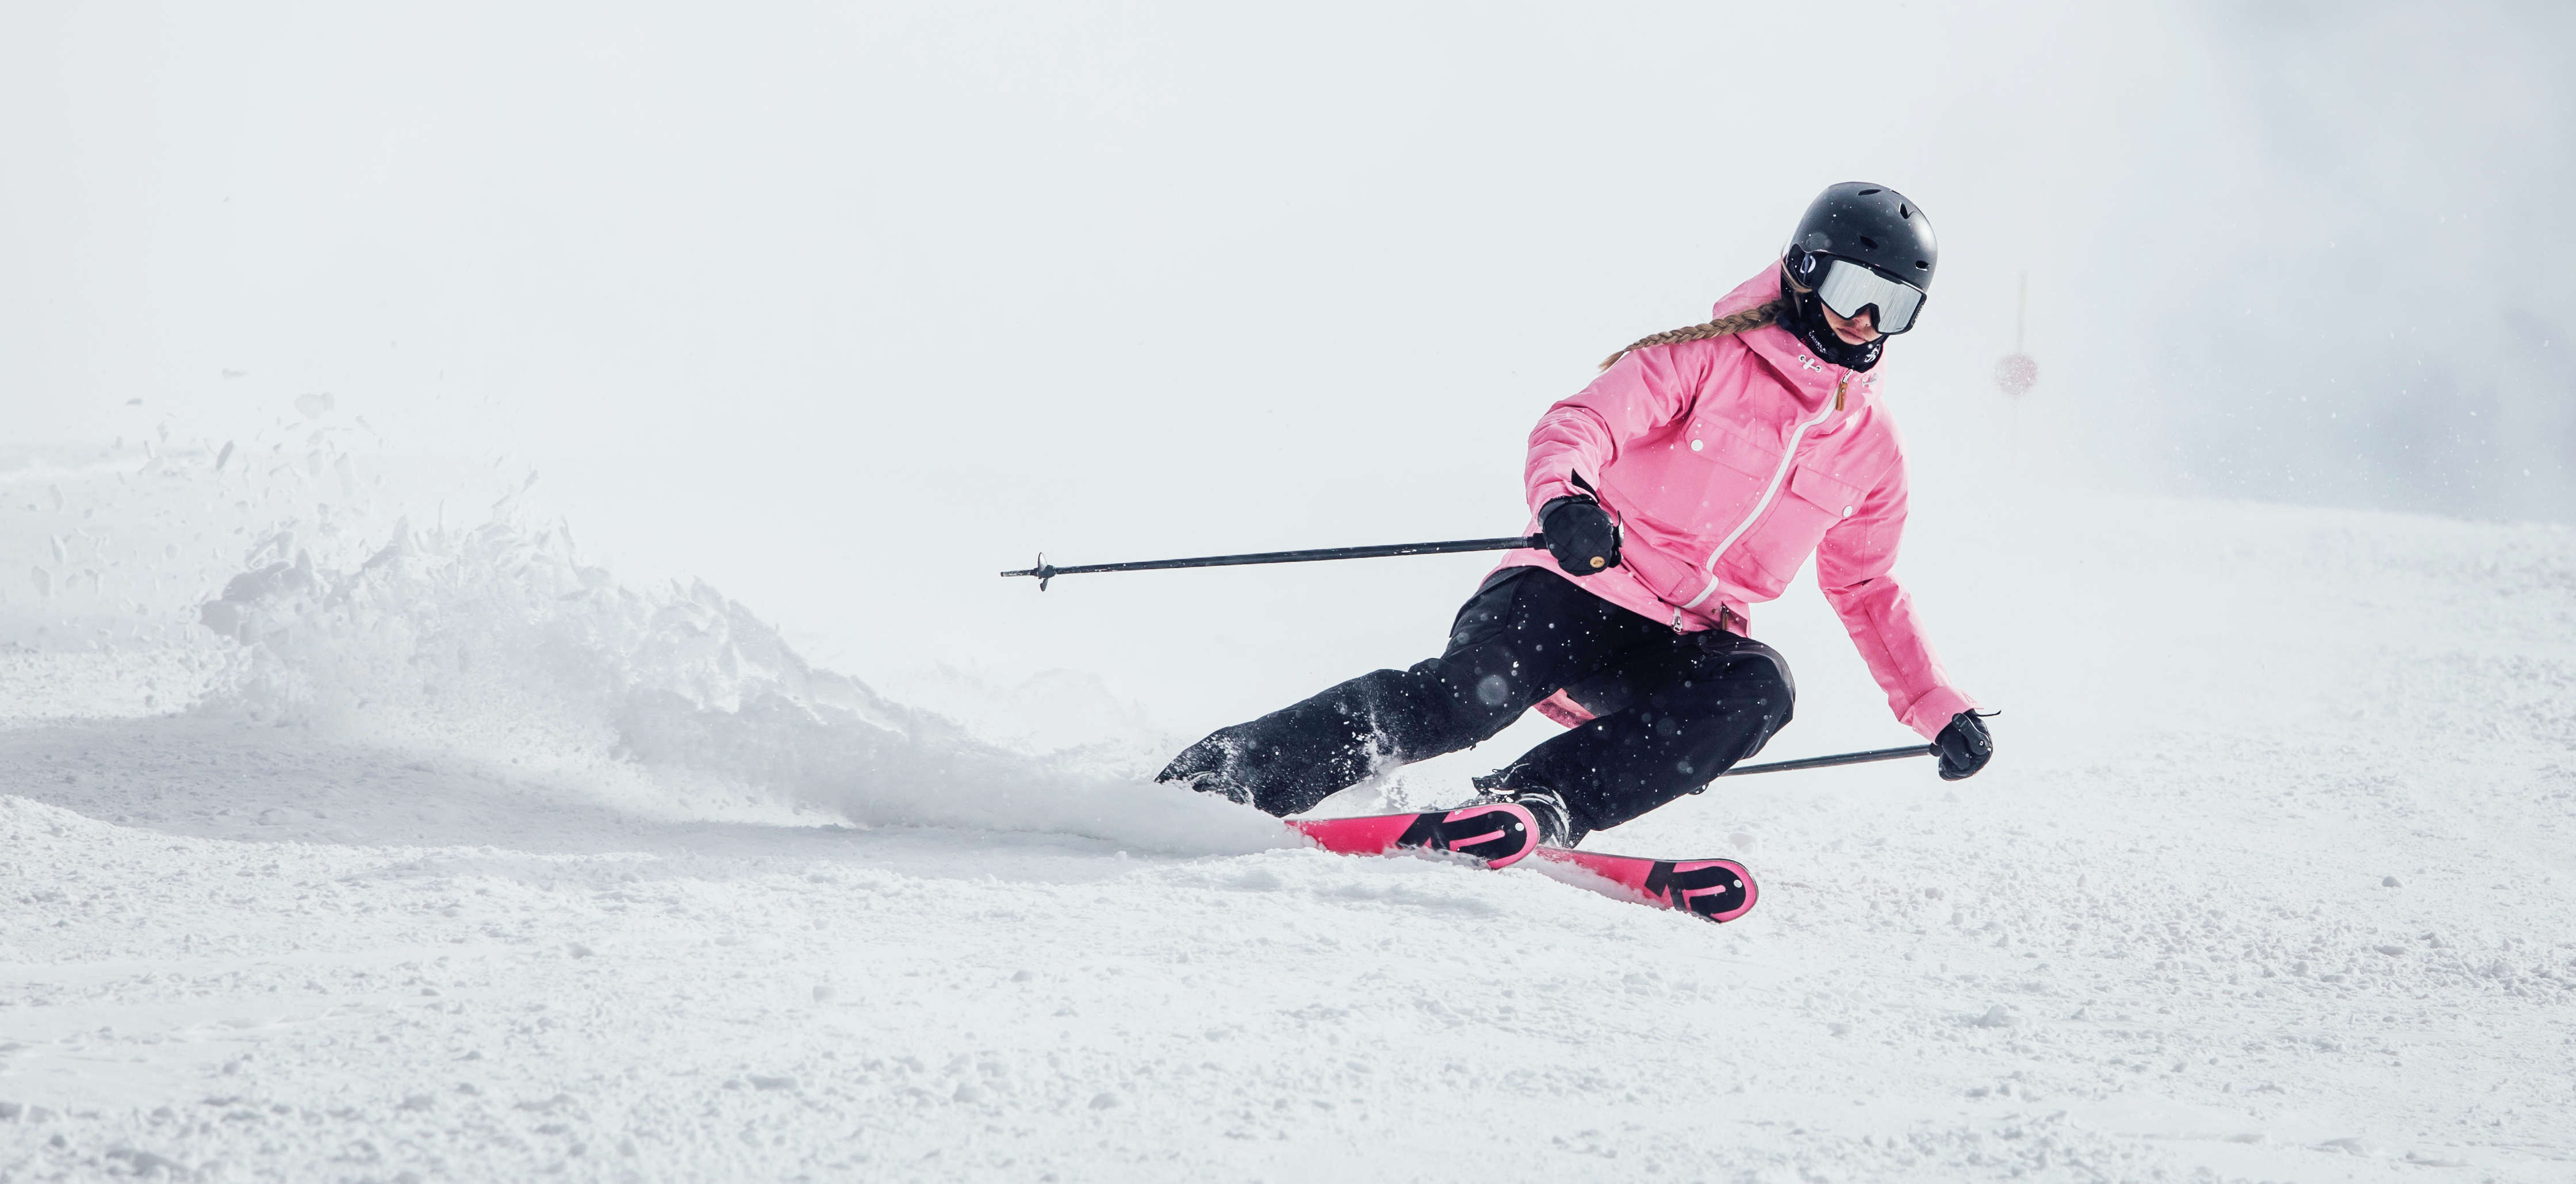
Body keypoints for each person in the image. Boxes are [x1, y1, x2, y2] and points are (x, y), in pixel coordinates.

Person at [1157, 182, 1994, 847]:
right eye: (1854, 288)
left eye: (1896, 305)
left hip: (1678, 637)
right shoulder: (1702, 358)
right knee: (1461, 702)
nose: (1866, 320)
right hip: (1571, 583)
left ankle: (1541, 800)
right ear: (1806, 272)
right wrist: (1567, 502)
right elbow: (1580, 424)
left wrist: (1937, 706)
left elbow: (1866, 586)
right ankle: (1228, 774)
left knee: (1761, 685)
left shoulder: (1872, 448)